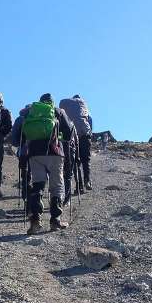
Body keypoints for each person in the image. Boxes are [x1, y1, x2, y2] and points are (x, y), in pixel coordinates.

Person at [22, 93, 74, 235]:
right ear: (52, 102)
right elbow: (68, 134)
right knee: (56, 186)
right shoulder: (58, 111)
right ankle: (55, 221)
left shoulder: (31, 112)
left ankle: (35, 221)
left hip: (34, 154)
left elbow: (22, 132)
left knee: (37, 185)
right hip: (54, 153)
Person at [59, 94, 93, 190]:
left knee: (75, 160)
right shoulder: (83, 106)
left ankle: (79, 185)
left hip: (72, 133)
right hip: (84, 132)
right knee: (86, 159)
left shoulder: (67, 106)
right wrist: (90, 133)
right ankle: (87, 180)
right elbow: (90, 119)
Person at [10, 105, 30, 203]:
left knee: (25, 174)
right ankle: (36, 198)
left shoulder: (20, 119)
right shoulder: (39, 118)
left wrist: (16, 144)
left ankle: (25, 196)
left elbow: (13, 137)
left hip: (23, 151)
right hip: (39, 152)